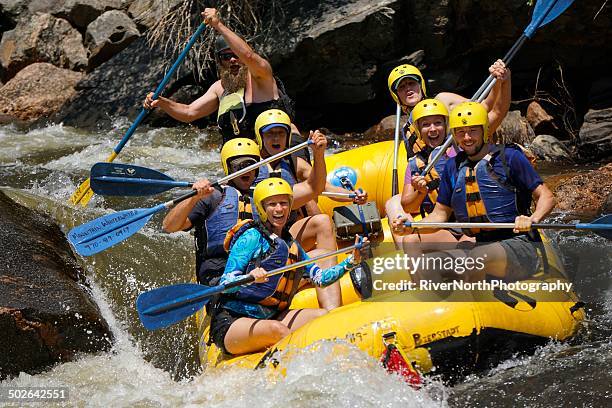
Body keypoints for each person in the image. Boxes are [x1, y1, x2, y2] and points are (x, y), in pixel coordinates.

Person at [162, 134, 342, 309]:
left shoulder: (266, 194)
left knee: (322, 238)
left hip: (265, 264)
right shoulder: (212, 196)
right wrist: (193, 197)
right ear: (228, 168)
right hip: (227, 276)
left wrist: (318, 154)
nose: (246, 170)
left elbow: (313, 187)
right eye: (239, 165)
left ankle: (332, 314)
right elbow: (169, 226)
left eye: (251, 164)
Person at [392, 102, 555, 283]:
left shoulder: (509, 157)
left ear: (484, 130)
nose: (467, 137)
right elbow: (439, 215)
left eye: (473, 131)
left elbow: (546, 196)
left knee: (476, 258)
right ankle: (430, 300)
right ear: (454, 135)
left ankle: (481, 304)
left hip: (519, 244)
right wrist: (413, 226)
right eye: (461, 132)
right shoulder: (453, 167)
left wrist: (533, 219)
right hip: (480, 243)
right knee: (426, 264)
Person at [210, 178, 368, 355]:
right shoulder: (251, 237)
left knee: (323, 318)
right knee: (276, 330)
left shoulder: (290, 244)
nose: (279, 209)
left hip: (271, 314)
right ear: (262, 208)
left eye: (284, 203)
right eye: (272, 204)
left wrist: (350, 262)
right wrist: (249, 278)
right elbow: (226, 282)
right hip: (233, 321)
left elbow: (321, 279)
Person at [143, 7, 307, 160]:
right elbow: (189, 113)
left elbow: (249, 56)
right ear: (219, 61)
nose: (233, 59)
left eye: (236, 54)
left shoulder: (261, 76)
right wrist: (162, 102)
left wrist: (218, 25)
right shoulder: (219, 88)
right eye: (226, 56)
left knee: (299, 170)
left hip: (283, 150)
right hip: (248, 159)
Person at [385, 60, 511, 242]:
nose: (433, 129)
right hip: (434, 201)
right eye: (426, 124)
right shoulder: (413, 147)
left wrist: (500, 81)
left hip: (460, 207)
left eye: (411, 83)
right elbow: (408, 202)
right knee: (393, 203)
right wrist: (419, 190)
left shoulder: (456, 131)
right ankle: (409, 245)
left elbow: (485, 110)